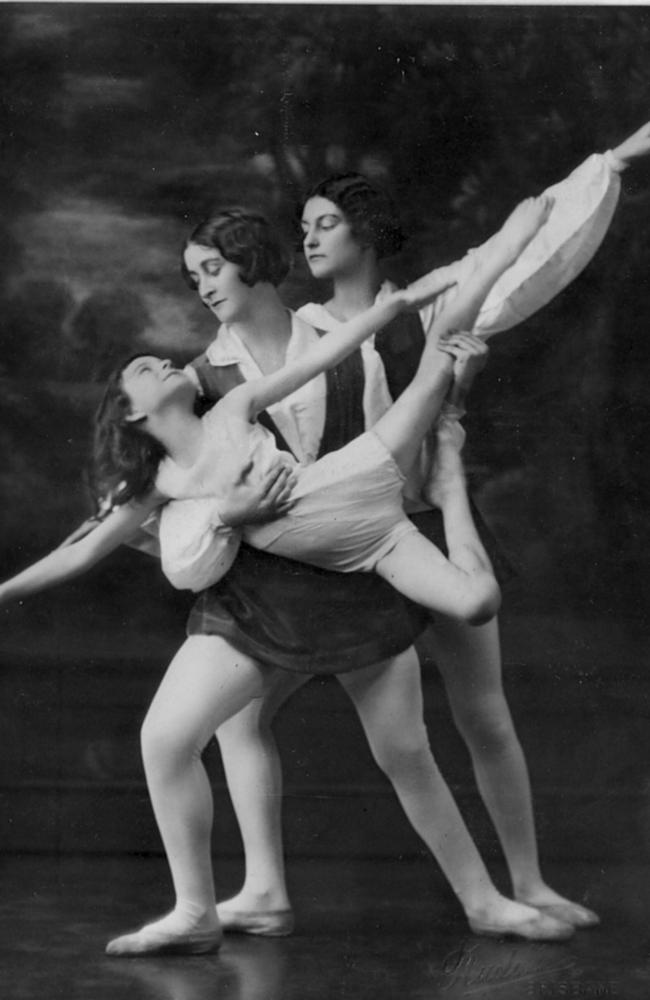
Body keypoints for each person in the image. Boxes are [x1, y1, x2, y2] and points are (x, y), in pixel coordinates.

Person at [0, 197, 576, 955]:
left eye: (213, 269)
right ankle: (224, 902)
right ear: (136, 412)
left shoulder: (320, 339)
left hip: (359, 536)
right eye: (193, 276)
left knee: (404, 746)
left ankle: (485, 899)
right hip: (268, 587)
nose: (203, 287)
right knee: (187, 732)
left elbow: (359, 384)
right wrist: (222, 517)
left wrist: (419, 340)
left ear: (251, 264)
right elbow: (108, 528)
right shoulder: (203, 384)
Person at [192, 120, 650, 939]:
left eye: (325, 222)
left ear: (367, 230)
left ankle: (529, 882)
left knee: (484, 713)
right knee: (274, 718)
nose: (309, 237)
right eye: (303, 228)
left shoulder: (427, 302)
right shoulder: (298, 331)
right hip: (347, 543)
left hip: (429, 524)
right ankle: (269, 887)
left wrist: (458, 389)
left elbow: (503, 259)